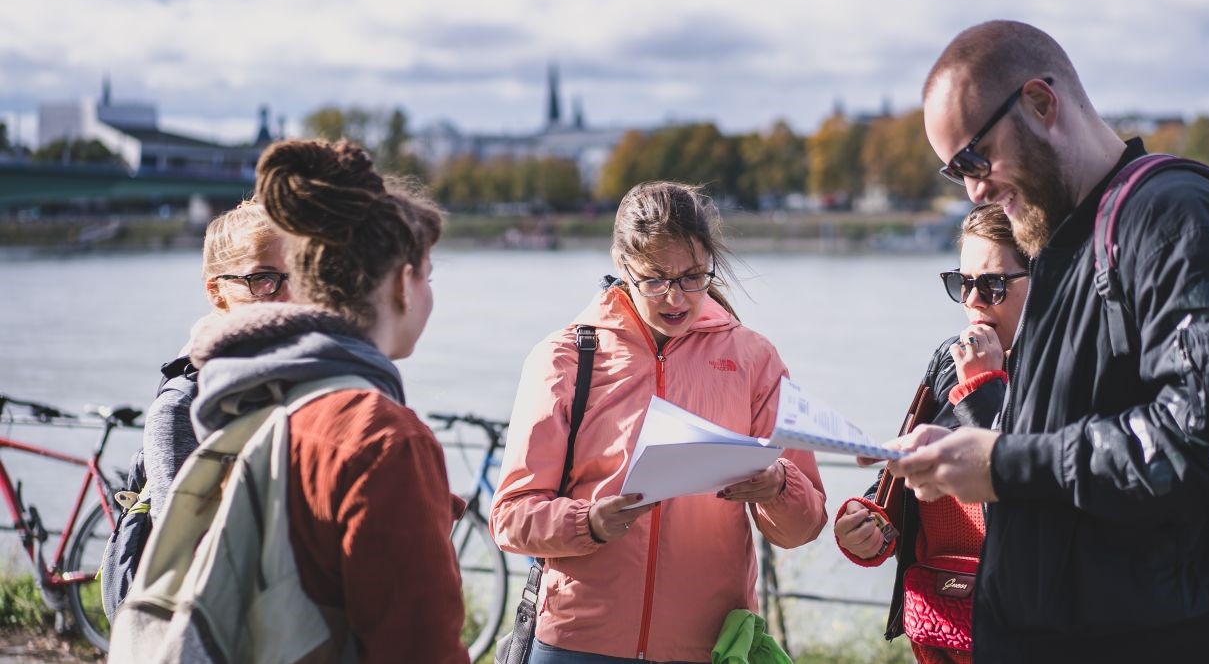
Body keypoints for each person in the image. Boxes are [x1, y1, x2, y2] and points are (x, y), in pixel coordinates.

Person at [887, 20, 1209, 663]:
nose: (973, 190)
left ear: (1040, 104)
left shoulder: (1177, 218)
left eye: (974, 159)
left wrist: (1002, 465)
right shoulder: (1062, 242)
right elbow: (1078, 432)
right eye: (955, 173)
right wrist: (973, 451)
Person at [490, 180, 827, 664]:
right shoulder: (564, 358)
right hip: (578, 643)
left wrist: (778, 485)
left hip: (707, 645)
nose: (676, 298)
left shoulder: (753, 358)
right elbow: (510, 517)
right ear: (621, 265)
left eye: (693, 277)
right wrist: (590, 523)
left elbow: (804, 526)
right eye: (655, 279)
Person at [186, 138, 468, 663]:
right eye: (428, 275)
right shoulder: (384, 439)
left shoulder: (253, 398)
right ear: (404, 285)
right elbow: (417, 649)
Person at [833, 204, 1027, 664]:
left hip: (1018, 626)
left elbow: (1028, 477)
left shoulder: (1072, 367)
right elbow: (911, 464)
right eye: (964, 283)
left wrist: (983, 385)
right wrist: (874, 522)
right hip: (939, 620)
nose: (973, 301)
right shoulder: (950, 355)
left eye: (994, 284)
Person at [144, 201, 296, 521]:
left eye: (297, 274)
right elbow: (178, 554)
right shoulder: (181, 406)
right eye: (263, 278)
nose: (286, 295)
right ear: (216, 292)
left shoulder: (307, 378)